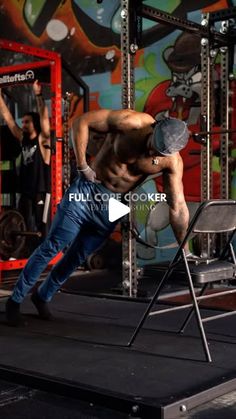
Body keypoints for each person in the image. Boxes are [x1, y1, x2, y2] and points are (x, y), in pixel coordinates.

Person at [5, 109, 190, 326]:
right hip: (86, 190)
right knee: (54, 246)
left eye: (159, 154)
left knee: (76, 257)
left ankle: (43, 296)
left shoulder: (172, 163)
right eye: (153, 146)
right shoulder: (130, 122)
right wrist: (82, 165)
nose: (153, 154)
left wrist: (184, 248)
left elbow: (177, 207)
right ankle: (15, 301)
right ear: (155, 128)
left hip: (112, 206)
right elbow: (81, 122)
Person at [0, 80, 51, 238]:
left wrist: (38, 94)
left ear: (35, 124)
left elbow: (44, 117)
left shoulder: (43, 140)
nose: (23, 125)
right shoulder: (23, 139)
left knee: (42, 230)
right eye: (22, 122)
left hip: (40, 191)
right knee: (22, 227)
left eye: (27, 122)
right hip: (25, 191)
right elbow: (8, 119)